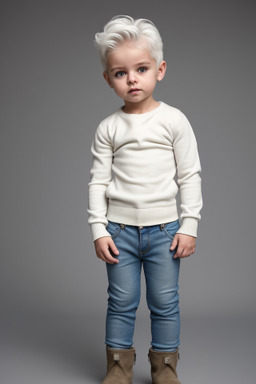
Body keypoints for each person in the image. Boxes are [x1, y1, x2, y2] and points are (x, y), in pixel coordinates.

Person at [88, 15, 203, 384]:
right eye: (120, 73)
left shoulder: (175, 121)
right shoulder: (109, 127)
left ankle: (164, 368)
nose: (132, 79)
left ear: (160, 69)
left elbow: (189, 176)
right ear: (108, 79)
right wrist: (97, 229)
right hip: (118, 231)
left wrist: (189, 225)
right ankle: (119, 367)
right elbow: (98, 181)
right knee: (120, 302)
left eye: (141, 68)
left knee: (164, 303)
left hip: (165, 231)